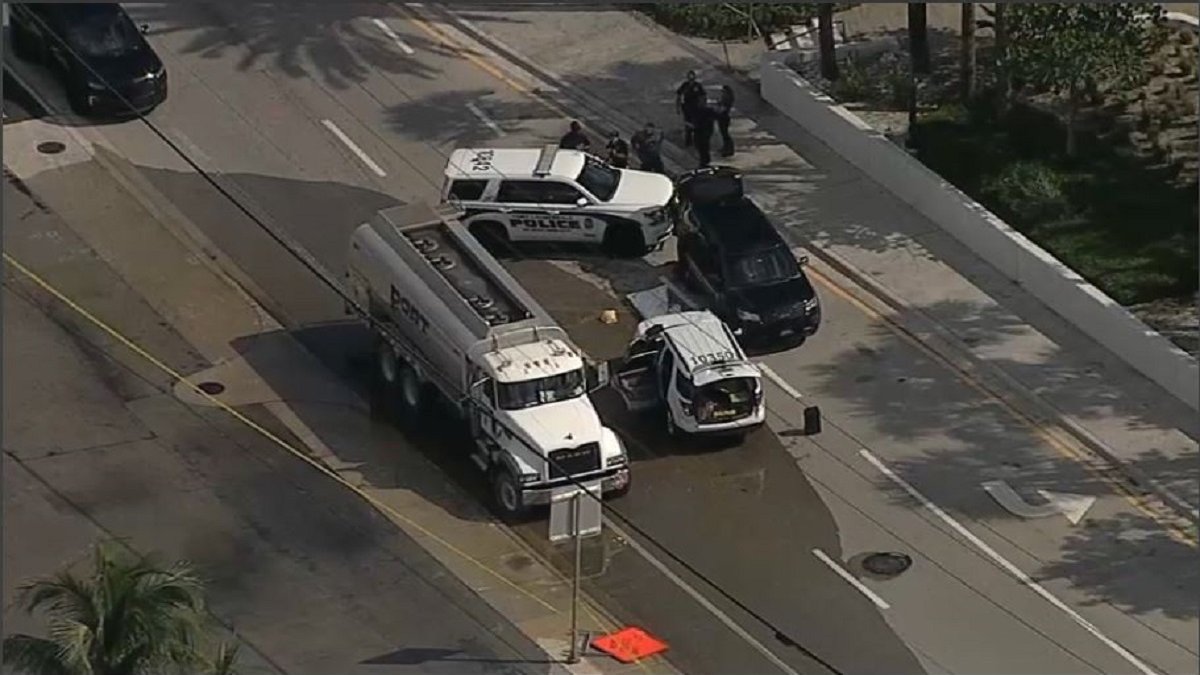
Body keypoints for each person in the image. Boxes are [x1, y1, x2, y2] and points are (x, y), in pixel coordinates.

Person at [675, 70, 707, 148]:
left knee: (696, 124)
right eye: (689, 77)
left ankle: (697, 141)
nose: (691, 79)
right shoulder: (685, 85)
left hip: (696, 107)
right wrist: (678, 107)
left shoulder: (698, 86)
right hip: (686, 107)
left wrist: (703, 106)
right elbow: (679, 95)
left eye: (692, 77)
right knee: (688, 124)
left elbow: (703, 96)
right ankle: (688, 141)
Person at [714, 84, 735, 157]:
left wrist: (717, 111)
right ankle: (726, 148)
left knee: (725, 134)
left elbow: (723, 108)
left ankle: (729, 149)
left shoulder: (726, 99)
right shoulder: (725, 98)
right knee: (724, 134)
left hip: (723, 117)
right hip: (723, 117)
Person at [693, 104, 716, 168]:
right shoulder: (704, 111)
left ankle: (704, 162)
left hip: (702, 132)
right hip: (703, 133)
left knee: (703, 147)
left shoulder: (701, 111)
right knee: (703, 148)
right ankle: (705, 161)